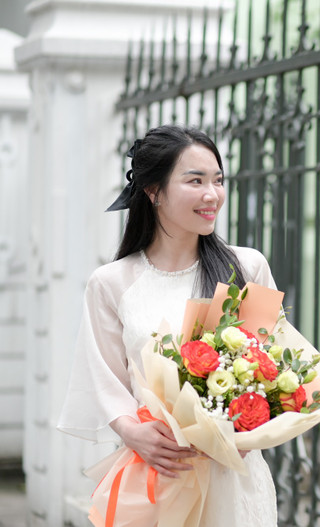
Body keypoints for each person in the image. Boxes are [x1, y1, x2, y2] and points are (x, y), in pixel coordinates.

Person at [57, 124, 277, 525]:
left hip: (234, 477)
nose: (212, 194)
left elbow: (275, 369)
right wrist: (132, 432)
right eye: (195, 181)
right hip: (158, 474)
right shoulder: (111, 283)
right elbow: (103, 378)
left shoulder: (247, 268)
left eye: (218, 180)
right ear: (153, 191)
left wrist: (249, 429)